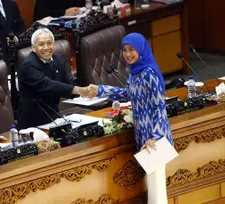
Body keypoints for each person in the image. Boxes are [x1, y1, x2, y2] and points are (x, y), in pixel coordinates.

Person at [85, 33, 173, 204]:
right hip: (143, 134)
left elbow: (159, 106)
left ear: (141, 50)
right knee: (152, 184)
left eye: (131, 50)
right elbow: (127, 94)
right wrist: (100, 90)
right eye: (124, 50)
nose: (128, 54)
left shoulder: (149, 73)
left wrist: (154, 137)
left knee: (157, 188)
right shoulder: (135, 73)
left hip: (155, 137)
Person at [18, 28, 90, 129]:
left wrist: (88, 94)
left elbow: (68, 83)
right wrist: (80, 90)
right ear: (33, 48)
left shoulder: (58, 60)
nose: (46, 48)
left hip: (54, 117)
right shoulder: (28, 65)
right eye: (41, 44)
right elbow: (48, 85)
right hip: (33, 124)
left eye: (49, 43)